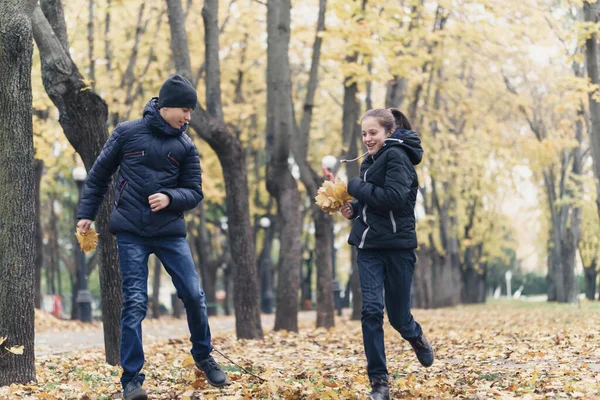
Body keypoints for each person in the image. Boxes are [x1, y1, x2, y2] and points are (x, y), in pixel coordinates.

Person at [76, 74, 227, 400]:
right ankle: (131, 380)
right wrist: (85, 214)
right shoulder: (127, 133)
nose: (188, 117)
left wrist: (171, 198)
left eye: (190, 112)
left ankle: (203, 353)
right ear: (167, 105)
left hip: (170, 232)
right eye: (185, 110)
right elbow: (99, 174)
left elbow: (195, 191)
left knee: (193, 293)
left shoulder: (186, 146)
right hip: (131, 231)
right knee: (134, 304)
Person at [340, 108, 434, 400]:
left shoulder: (398, 157)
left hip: (397, 247)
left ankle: (415, 335)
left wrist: (356, 187)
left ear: (388, 133)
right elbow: (371, 201)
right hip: (369, 247)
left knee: (398, 316)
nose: (368, 139)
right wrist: (353, 208)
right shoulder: (369, 161)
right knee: (370, 311)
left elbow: (394, 198)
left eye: (373, 133)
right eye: (365, 134)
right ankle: (379, 383)